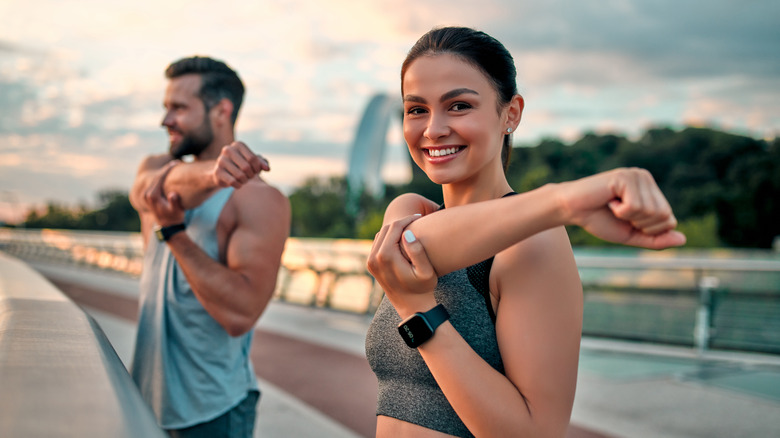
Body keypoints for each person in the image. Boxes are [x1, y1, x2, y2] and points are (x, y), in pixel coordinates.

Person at [364, 27, 686, 438]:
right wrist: (565, 202)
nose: (433, 129)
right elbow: (417, 244)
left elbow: (535, 433)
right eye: (416, 109)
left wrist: (420, 314)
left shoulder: (535, 244)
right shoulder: (410, 211)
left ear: (510, 113)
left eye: (459, 106)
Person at [128, 56, 290, 438]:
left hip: (213, 412)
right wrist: (214, 173)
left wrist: (176, 236)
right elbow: (152, 190)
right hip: (144, 401)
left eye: (179, 108)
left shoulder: (260, 200)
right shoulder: (155, 171)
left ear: (221, 111)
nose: (165, 120)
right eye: (166, 107)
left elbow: (240, 314)